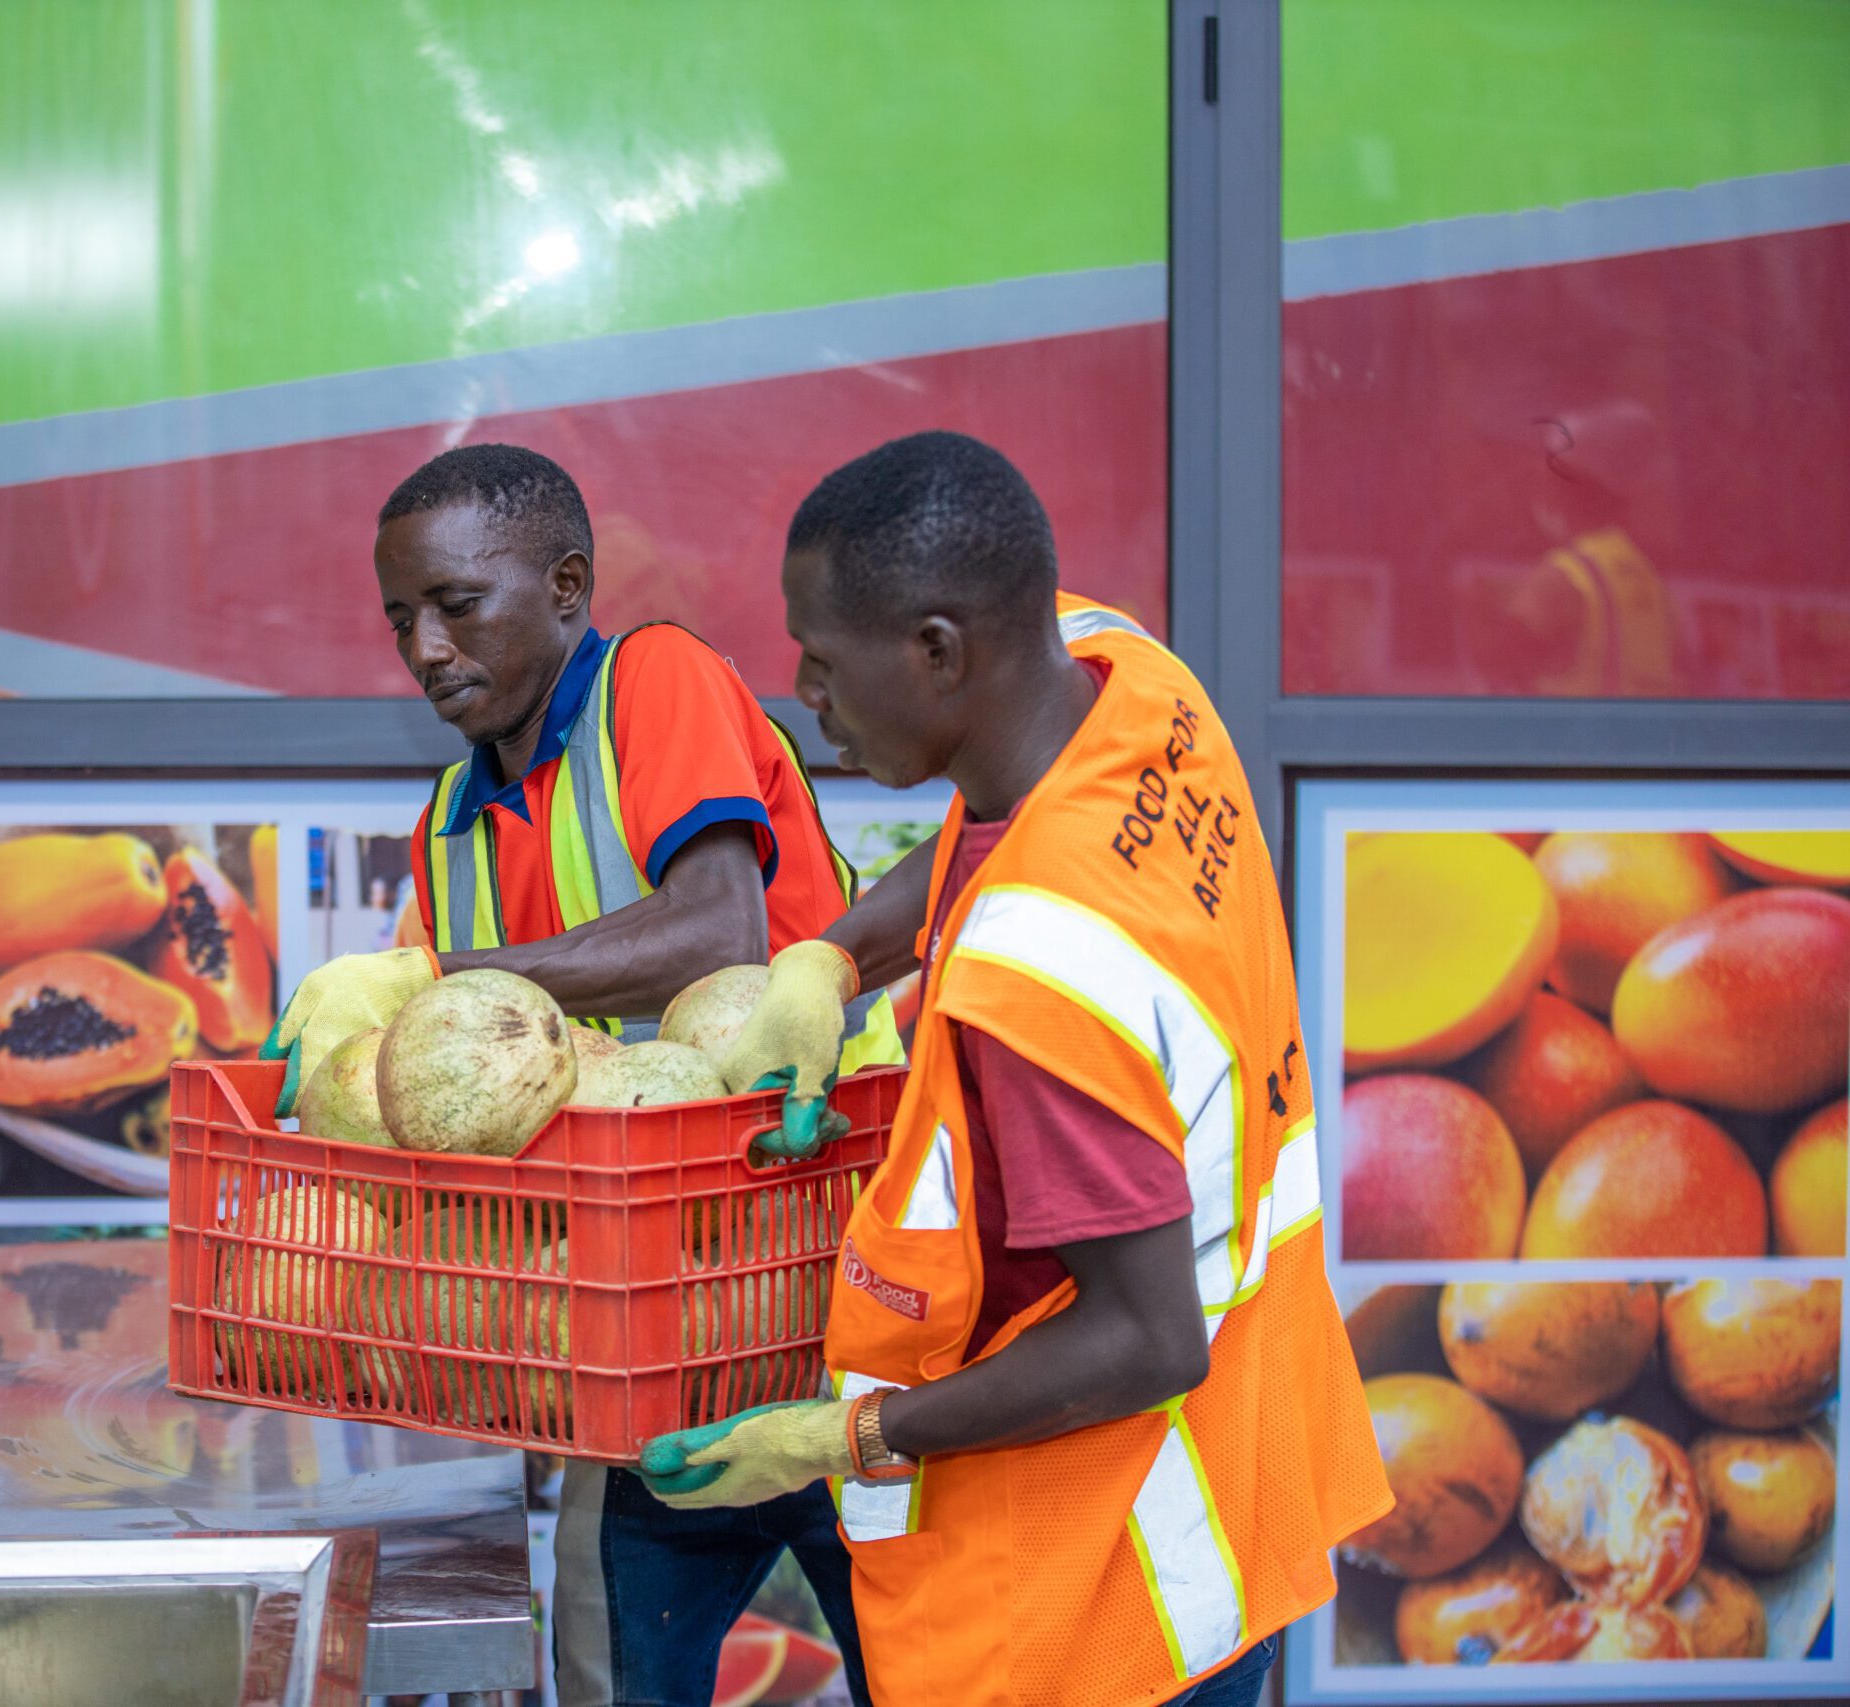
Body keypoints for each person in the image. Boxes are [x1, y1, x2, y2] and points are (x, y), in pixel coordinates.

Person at [639, 432, 1390, 1707]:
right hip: (1245, 1492)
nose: (802, 695)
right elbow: (985, 838)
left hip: (1101, 1607)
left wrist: (849, 1435)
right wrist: (825, 962)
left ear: (937, 651)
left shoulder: (1036, 990)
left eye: (823, 662)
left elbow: (1149, 1339)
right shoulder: (1128, 680)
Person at [266, 442, 900, 1707]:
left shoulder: (654, 683)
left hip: (837, 1295)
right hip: (641, 1345)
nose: (428, 649)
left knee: (923, 1667)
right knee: (605, 1673)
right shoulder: (449, 817)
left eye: (458, 604)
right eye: (402, 619)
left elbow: (718, 928)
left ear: (565, 586)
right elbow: (438, 1107)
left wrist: (436, 972)